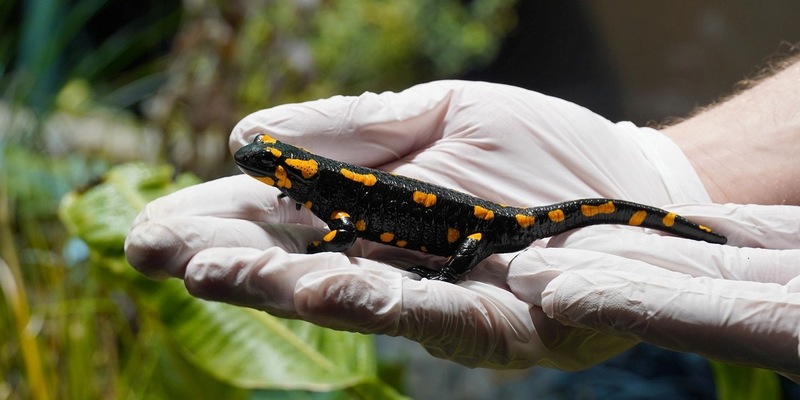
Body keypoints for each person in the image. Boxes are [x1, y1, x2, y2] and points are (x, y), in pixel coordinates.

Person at [125, 59, 800, 381]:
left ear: (289, 167)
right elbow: (334, 220)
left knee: (482, 247)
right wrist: (674, 170)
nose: (264, 169)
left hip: (484, 226)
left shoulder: (321, 186)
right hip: (472, 216)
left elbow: (338, 229)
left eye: (269, 165)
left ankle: (459, 266)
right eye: (267, 168)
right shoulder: (317, 184)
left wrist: (450, 270)